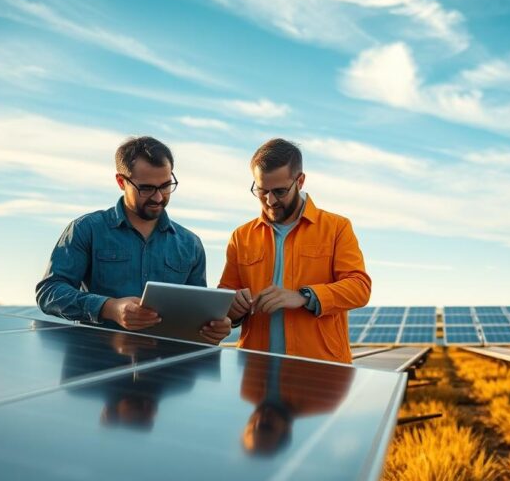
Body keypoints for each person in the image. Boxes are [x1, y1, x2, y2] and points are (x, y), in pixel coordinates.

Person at [36, 135, 231, 344]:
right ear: (121, 182)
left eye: (165, 186)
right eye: (146, 188)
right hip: (96, 364)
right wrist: (109, 308)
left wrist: (213, 328)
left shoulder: (191, 244)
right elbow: (49, 292)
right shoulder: (86, 229)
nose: (158, 197)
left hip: (167, 368)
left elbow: (197, 314)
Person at [219, 138, 371, 363]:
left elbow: (360, 288)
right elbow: (225, 297)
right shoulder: (241, 236)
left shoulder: (337, 228)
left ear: (300, 181)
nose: (270, 201)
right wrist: (232, 304)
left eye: (279, 191)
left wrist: (303, 296)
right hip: (254, 372)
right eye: (261, 191)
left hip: (321, 371)